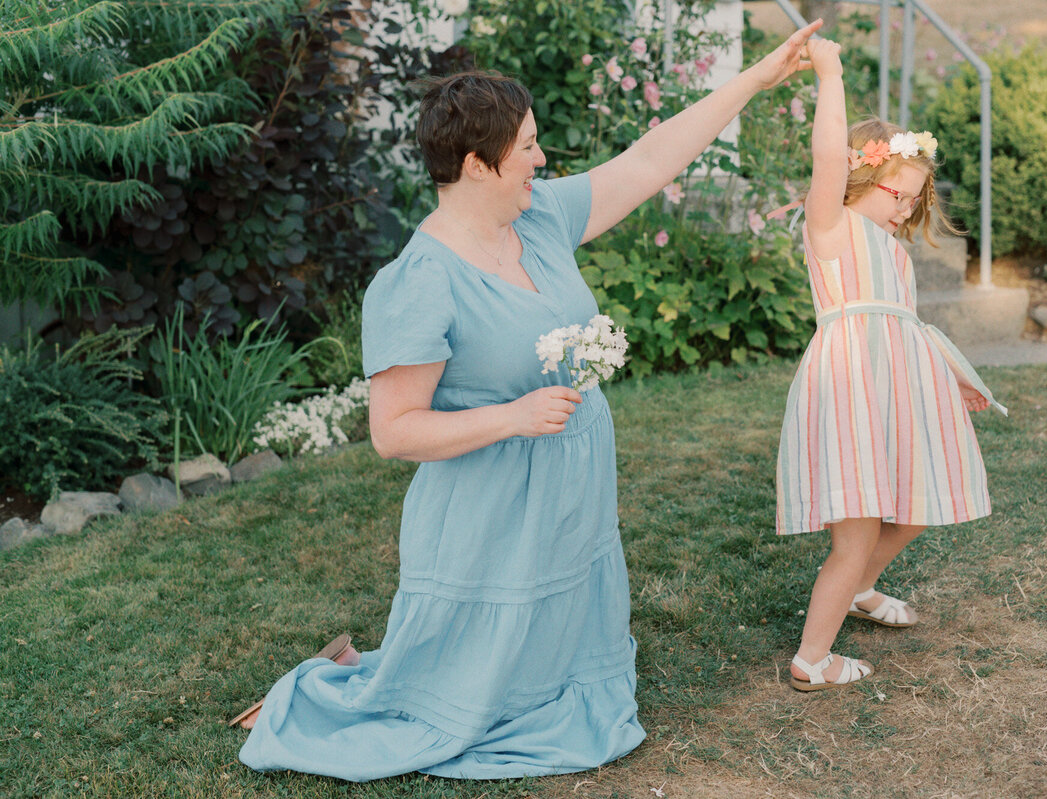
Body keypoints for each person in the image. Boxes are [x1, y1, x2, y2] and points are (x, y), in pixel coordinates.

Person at [231, 19, 826, 781]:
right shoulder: (419, 281)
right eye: (529, 146)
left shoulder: (538, 215)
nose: (542, 160)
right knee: (463, 685)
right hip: (488, 509)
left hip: (569, 487)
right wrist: (515, 417)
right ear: (479, 164)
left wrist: (754, 79)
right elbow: (393, 431)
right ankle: (357, 690)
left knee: (553, 646)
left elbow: (648, 160)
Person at [772, 36, 1006, 692]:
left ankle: (862, 588)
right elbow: (826, 153)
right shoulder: (834, 225)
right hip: (850, 392)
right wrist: (832, 73)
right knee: (857, 531)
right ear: (859, 176)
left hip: (893, 394)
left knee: (915, 505)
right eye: (896, 193)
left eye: (913, 199)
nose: (905, 208)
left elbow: (900, 332)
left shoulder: (887, 247)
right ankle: (813, 658)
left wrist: (942, 382)